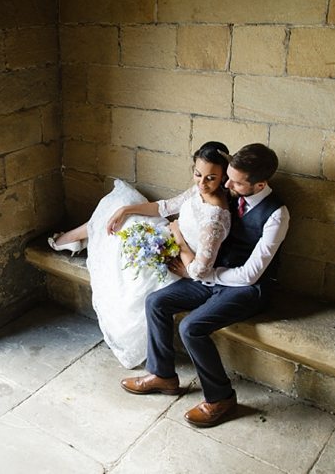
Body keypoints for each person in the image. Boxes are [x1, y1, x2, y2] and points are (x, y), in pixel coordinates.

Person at [120, 143, 290, 428]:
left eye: (235, 181)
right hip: (211, 277)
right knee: (156, 302)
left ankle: (221, 398)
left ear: (259, 184)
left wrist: (202, 274)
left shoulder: (277, 214)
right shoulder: (226, 193)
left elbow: (251, 274)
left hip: (249, 289)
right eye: (228, 177)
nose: (227, 184)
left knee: (192, 327)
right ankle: (163, 375)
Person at [48, 141, 232, 368]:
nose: (202, 183)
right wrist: (126, 210)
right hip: (168, 237)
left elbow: (200, 270)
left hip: (175, 259)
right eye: (198, 174)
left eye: (211, 178)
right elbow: (165, 207)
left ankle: (69, 240)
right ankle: (74, 239)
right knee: (122, 206)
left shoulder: (215, 217)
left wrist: (179, 239)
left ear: (224, 176)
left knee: (122, 239)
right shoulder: (198, 191)